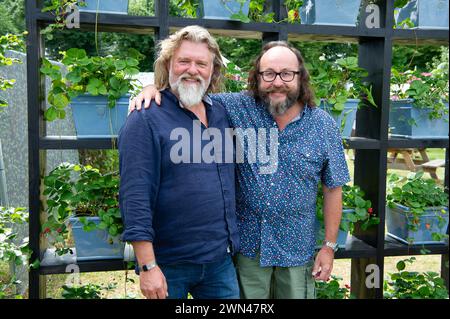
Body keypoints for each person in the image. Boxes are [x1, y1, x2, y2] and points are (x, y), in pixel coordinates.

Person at [129, 39, 350, 299]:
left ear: (301, 77)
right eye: (268, 74)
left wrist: (329, 246)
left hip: (296, 250)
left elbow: (333, 187)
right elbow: (189, 87)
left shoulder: (322, 125)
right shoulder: (235, 107)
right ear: (256, 77)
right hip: (248, 251)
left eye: (286, 74)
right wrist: (152, 87)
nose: (277, 82)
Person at [118, 26, 240, 299]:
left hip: (219, 263)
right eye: (184, 61)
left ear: (213, 70)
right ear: (168, 65)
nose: (192, 70)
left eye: (201, 63)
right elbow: (134, 196)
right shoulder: (146, 118)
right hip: (168, 266)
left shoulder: (221, 111)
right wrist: (147, 265)